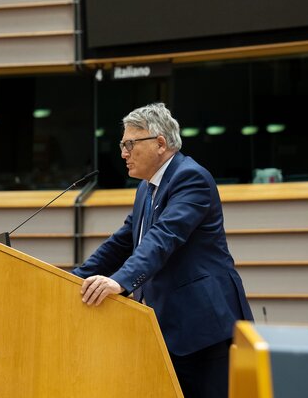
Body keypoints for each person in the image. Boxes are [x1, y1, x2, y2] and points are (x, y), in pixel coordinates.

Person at [72, 103, 252, 398]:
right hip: (170, 326)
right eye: (122, 144)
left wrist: (120, 281)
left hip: (206, 327)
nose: (123, 153)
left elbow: (163, 237)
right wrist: (68, 279)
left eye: (130, 144)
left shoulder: (191, 178)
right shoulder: (146, 188)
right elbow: (122, 242)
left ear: (160, 143)